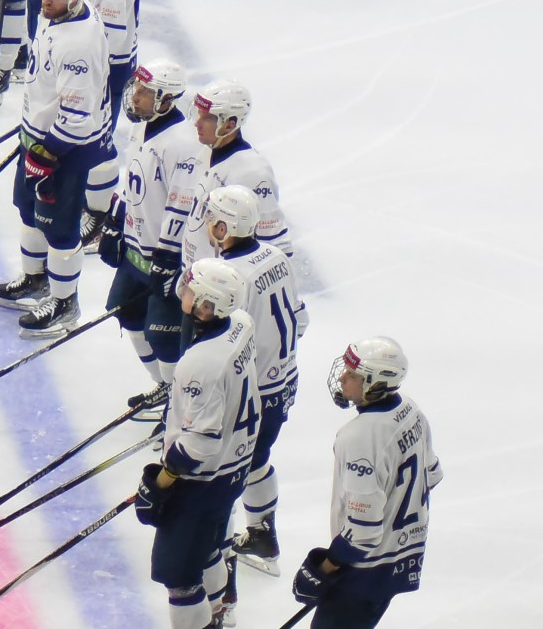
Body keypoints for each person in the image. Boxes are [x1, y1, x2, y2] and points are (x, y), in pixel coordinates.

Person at [0, 0, 113, 337]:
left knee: (59, 228)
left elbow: (77, 118)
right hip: (40, 138)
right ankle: (36, 280)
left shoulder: (78, 45)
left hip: (66, 150)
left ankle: (65, 303)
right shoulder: (58, 15)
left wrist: (47, 155)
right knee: (28, 210)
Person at [135, 258, 258, 629]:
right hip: (235, 466)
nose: (183, 292)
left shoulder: (200, 364)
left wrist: (161, 483)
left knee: (178, 573)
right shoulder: (241, 323)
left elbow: (201, 445)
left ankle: (208, 619)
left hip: (204, 480)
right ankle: (219, 609)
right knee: (206, 548)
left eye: (191, 290)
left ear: (208, 305)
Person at [192, 186, 306, 574]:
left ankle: (219, 555)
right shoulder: (276, 256)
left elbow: (225, 346)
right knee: (257, 459)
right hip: (284, 380)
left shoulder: (231, 277)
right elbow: (301, 318)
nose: (208, 224)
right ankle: (261, 535)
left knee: (225, 472)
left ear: (226, 227)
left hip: (254, 392)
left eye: (213, 219)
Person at [294, 338, 442, 628]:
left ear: (375, 383)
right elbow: (432, 474)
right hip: (401, 554)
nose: (342, 378)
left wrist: (326, 567)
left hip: (366, 567)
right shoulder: (410, 409)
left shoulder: (359, 437)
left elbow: (363, 531)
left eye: (352, 375)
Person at [105, 59, 202, 415]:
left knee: (164, 338)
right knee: (126, 313)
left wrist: (168, 256)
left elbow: (181, 203)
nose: (136, 97)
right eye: (137, 89)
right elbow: (132, 184)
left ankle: (179, 409)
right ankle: (164, 387)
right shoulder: (141, 129)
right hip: (135, 248)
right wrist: (116, 221)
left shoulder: (184, 144)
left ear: (166, 99)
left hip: (163, 257)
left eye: (145, 92)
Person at [182, 79, 290, 254]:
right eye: (199, 114)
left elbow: (274, 241)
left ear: (229, 124)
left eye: (207, 118)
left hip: (222, 271)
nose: (197, 123)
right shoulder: (205, 153)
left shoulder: (253, 172)